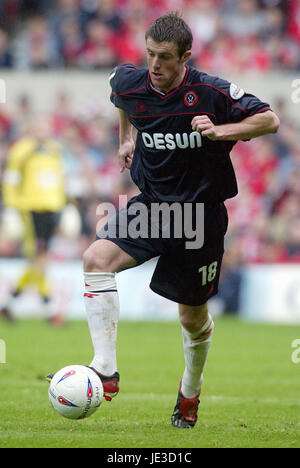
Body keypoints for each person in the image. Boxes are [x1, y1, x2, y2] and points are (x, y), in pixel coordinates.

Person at [47, 12, 280, 428]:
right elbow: (121, 98)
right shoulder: (130, 81)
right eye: (150, 54)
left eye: (165, 58)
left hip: (201, 217)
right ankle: (105, 370)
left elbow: (269, 120)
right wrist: (126, 137)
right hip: (154, 207)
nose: (155, 65)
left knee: (192, 319)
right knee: (95, 259)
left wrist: (222, 130)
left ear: (185, 57)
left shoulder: (211, 91)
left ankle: (190, 390)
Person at [1, 117, 66, 323]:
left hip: (52, 208)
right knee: (40, 258)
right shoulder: (22, 150)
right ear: (31, 129)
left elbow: (59, 178)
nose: (42, 131)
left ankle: (9, 304)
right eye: (38, 127)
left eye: (45, 127)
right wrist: (11, 207)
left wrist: (66, 203)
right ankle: (49, 309)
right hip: (30, 209)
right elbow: (11, 179)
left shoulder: (54, 149)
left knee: (40, 259)